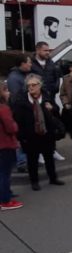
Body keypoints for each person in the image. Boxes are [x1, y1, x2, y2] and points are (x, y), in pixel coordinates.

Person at [12, 74, 64, 191]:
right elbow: (17, 121)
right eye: (29, 85)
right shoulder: (22, 102)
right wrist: (22, 137)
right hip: (30, 136)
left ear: (40, 86)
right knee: (32, 160)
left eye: (34, 85)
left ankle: (53, 178)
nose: (31, 88)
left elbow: (56, 111)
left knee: (49, 158)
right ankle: (34, 181)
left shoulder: (46, 97)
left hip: (47, 134)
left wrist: (52, 108)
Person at [0, 80, 21, 210]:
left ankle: (5, 193)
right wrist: (16, 125)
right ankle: (5, 201)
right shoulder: (4, 108)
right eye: (6, 90)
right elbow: (11, 127)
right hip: (5, 145)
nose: (9, 93)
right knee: (5, 173)